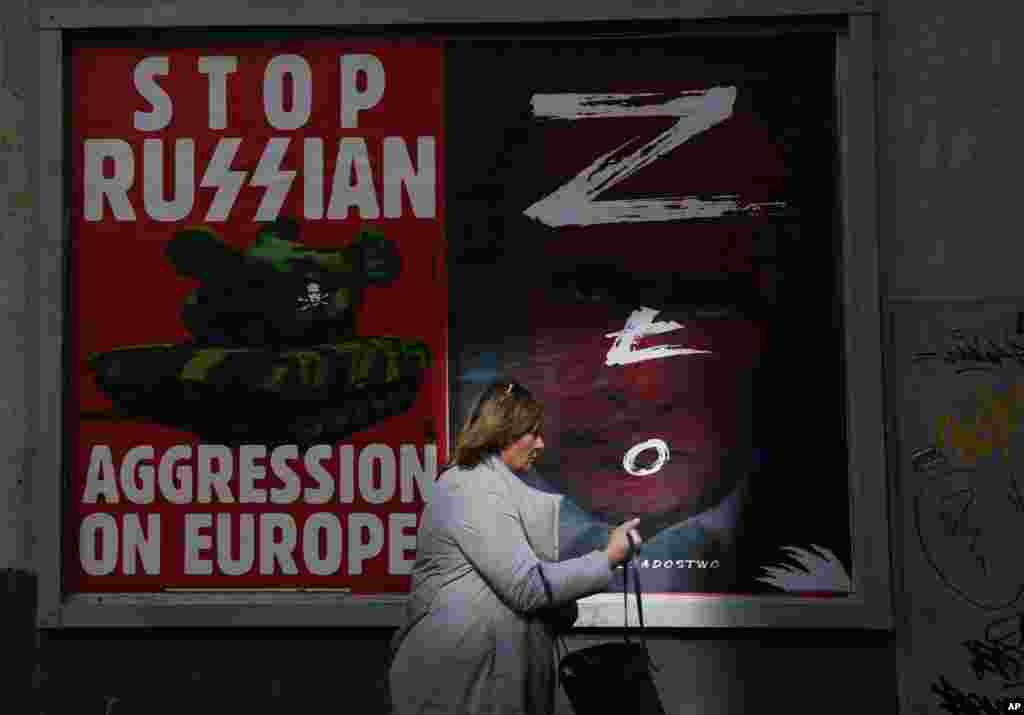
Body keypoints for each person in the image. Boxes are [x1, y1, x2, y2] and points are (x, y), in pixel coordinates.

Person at [388, 379, 643, 715]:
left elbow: (528, 586)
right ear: (504, 432)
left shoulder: (496, 486)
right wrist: (608, 558)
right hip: (462, 687)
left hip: (488, 679)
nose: (540, 443)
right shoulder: (472, 487)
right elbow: (526, 586)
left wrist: (562, 603)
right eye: (532, 432)